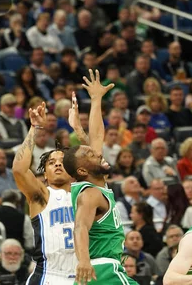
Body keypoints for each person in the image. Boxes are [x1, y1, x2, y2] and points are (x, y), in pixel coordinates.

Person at [61, 69, 138, 285]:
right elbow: (80, 227)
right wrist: (84, 261)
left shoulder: (96, 183)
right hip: (102, 269)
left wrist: (96, 100)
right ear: (83, 171)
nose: (96, 152)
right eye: (89, 154)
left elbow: (96, 135)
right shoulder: (91, 194)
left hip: (101, 271)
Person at [10, 91, 93, 284]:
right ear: (44, 174)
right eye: (51, 162)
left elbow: (96, 161)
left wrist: (79, 131)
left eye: (62, 161)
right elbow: (19, 170)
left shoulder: (86, 194)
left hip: (83, 273)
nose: (57, 164)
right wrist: (35, 128)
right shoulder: (42, 195)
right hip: (50, 274)